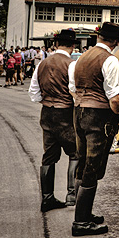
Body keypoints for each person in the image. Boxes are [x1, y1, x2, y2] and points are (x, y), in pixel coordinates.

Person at [68, 22, 119, 236]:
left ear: (99, 37)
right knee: (93, 166)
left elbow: (72, 88)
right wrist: (117, 113)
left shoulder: (82, 57)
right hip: (97, 116)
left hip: (79, 113)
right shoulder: (109, 59)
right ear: (116, 41)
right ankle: (81, 222)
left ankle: (84, 214)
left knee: (83, 163)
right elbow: (114, 97)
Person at [28, 29, 83, 213]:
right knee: (75, 153)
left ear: (55, 44)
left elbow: (33, 93)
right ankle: (71, 194)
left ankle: (47, 198)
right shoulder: (72, 64)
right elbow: (75, 93)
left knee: (49, 156)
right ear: (73, 45)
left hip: (47, 114)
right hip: (65, 114)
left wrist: (47, 101)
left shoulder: (42, 64)